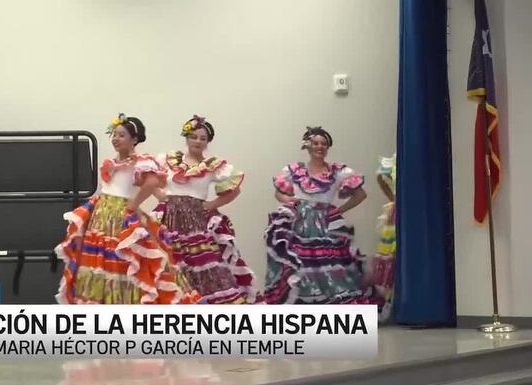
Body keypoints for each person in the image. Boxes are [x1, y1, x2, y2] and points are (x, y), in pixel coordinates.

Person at [55, 113, 197, 304]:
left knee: (122, 259)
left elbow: (152, 181)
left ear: (134, 139)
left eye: (122, 135)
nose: (116, 139)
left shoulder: (139, 161)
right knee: (101, 261)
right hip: (101, 215)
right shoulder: (113, 163)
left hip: (120, 217)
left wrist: (135, 203)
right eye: (114, 134)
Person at [263, 126, 382, 308]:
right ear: (308, 146)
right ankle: (303, 307)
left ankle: (330, 307)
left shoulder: (338, 172)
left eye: (324, 144)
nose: (320, 147)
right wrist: (291, 200)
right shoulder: (294, 170)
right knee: (300, 264)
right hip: (298, 222)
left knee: (330, 264)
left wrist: (339, 211)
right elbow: (279, 194)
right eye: (316, 143)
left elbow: (360, 195)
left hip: (325, 224)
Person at [153, 115, 257, 304]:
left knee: (202, 265)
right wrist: (160, 195)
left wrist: (209, 205)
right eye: (194, 137)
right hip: (169, 220)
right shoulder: (169, 160)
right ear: (186, 138)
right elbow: (149, 179)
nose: (198, 141)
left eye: (203, 138)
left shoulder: (212, 166)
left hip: (195, 223)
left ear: (208, 142)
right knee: (170, 265)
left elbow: (235, 190)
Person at [373, 153, 397, 321]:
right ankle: (387, 302)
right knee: (391, 257)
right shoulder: (397, 160)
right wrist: (394, 198)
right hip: (398, 213)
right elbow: (380, 177)